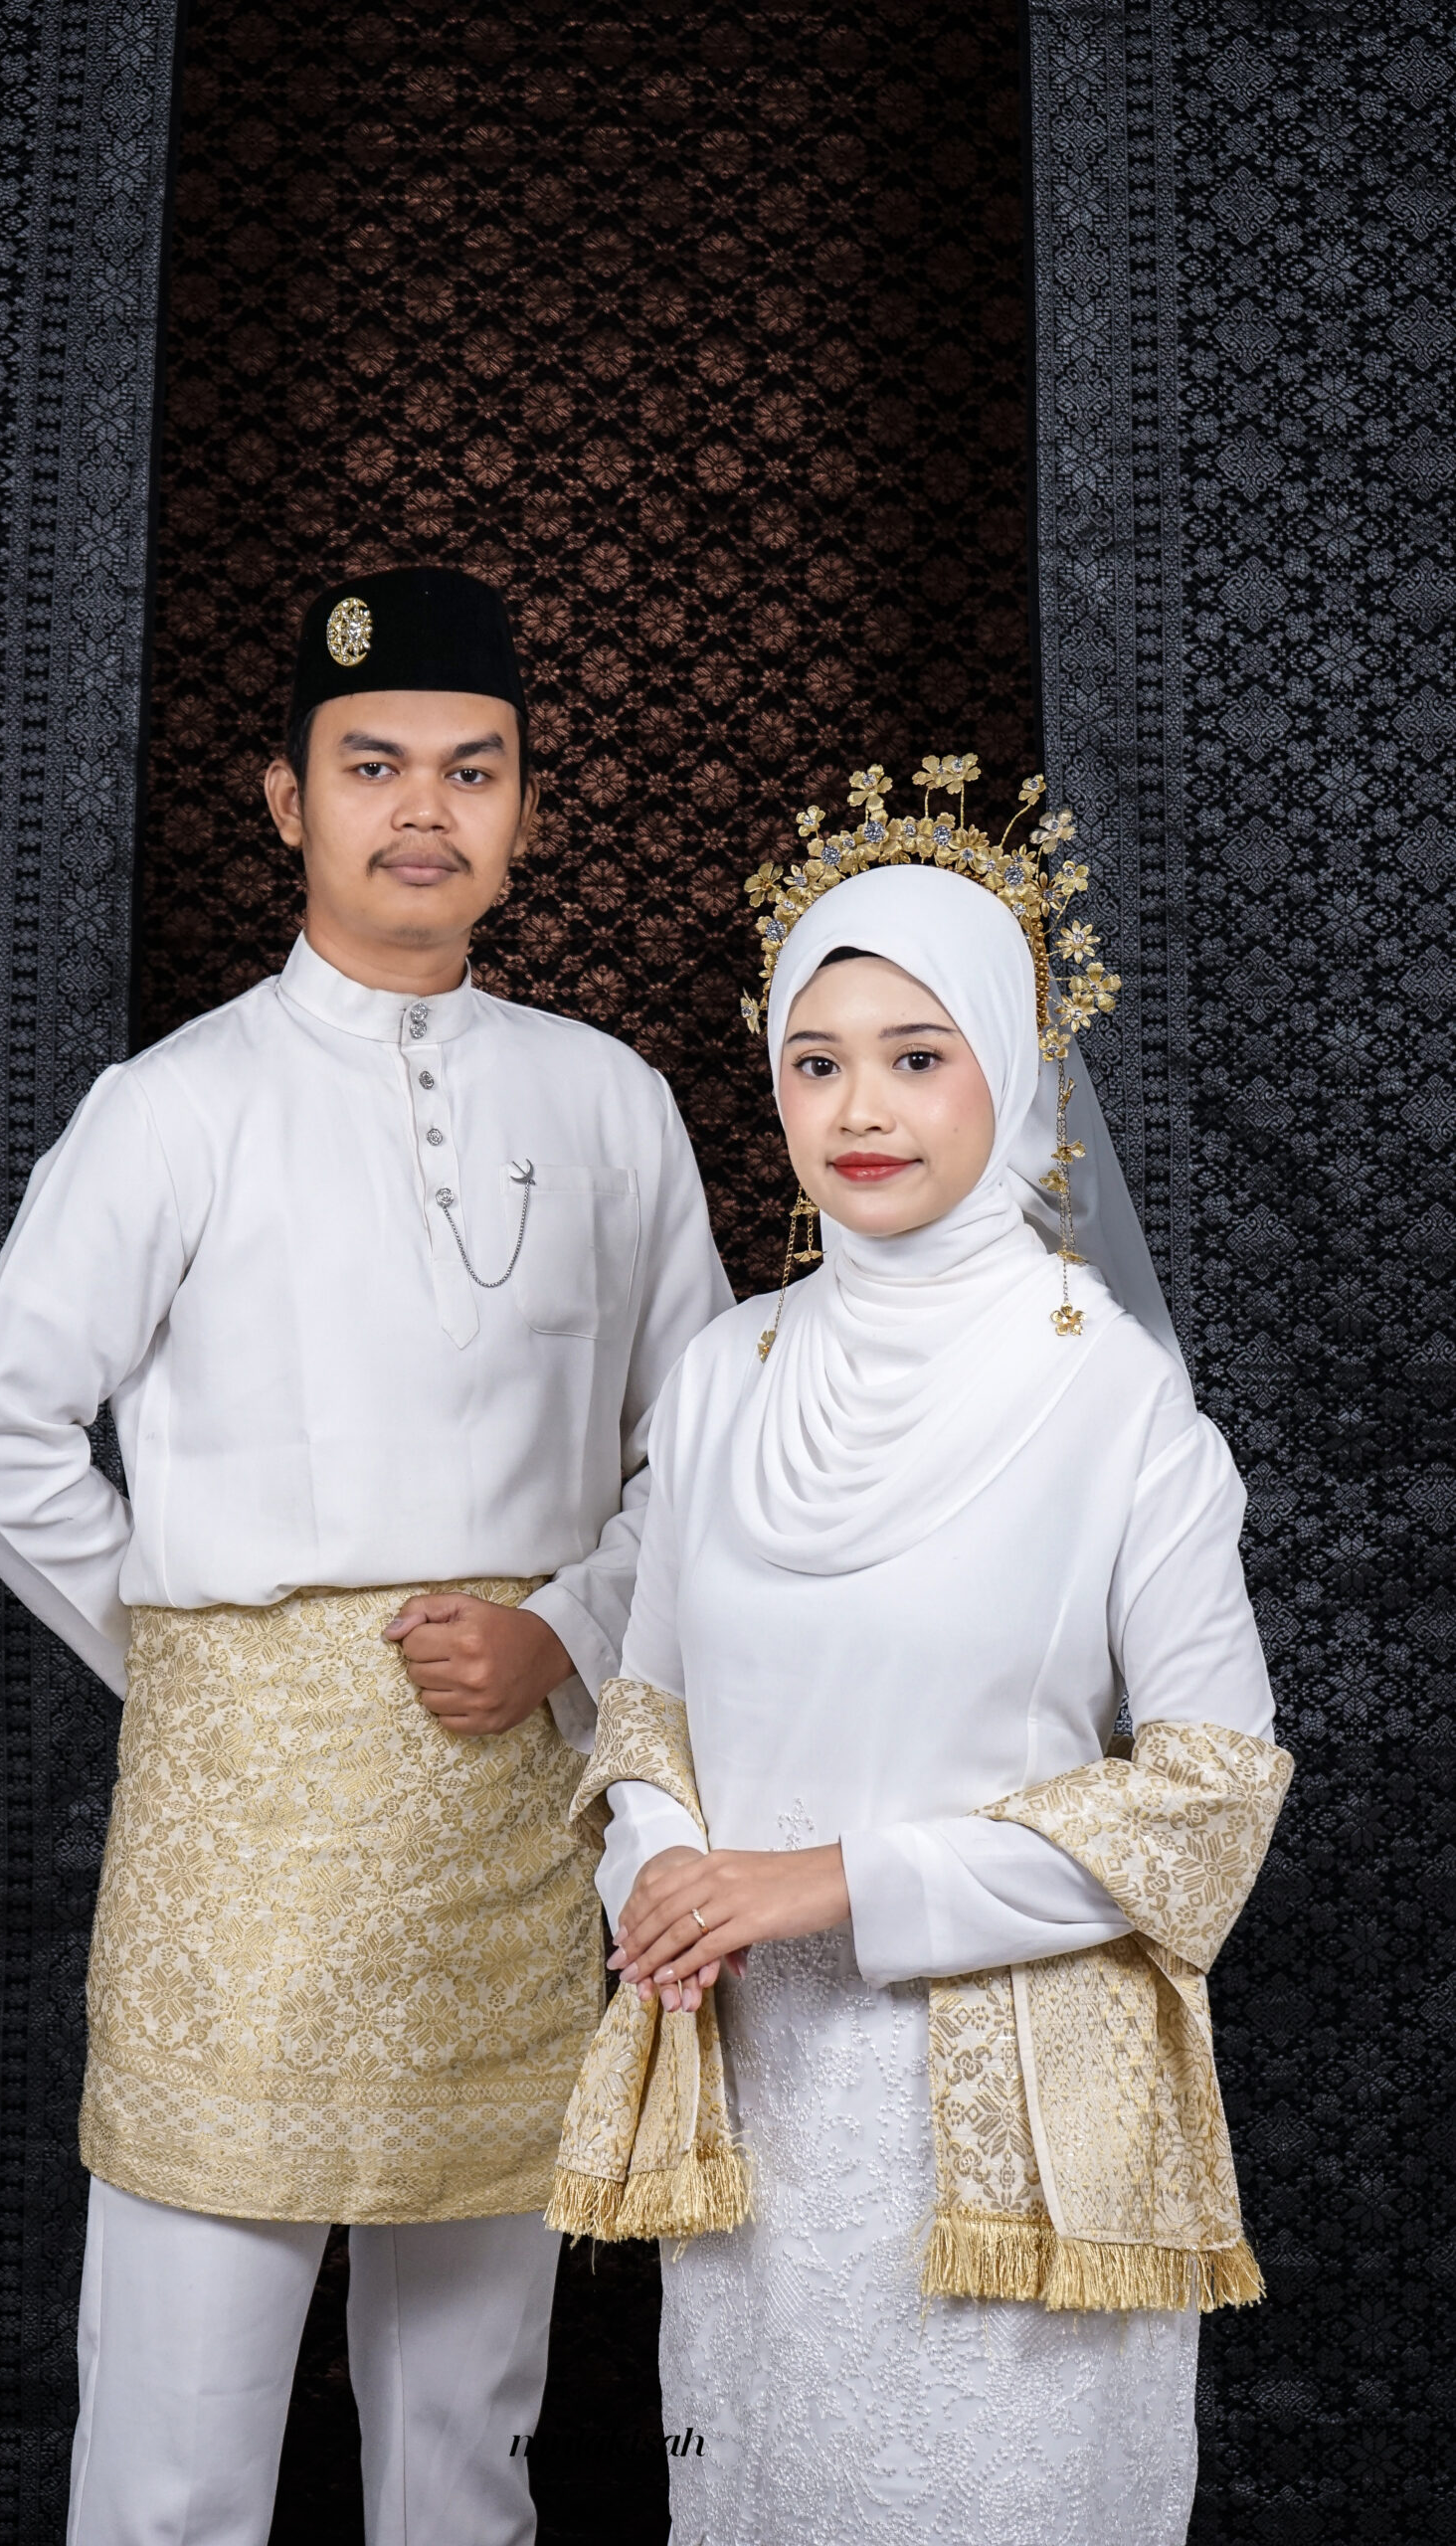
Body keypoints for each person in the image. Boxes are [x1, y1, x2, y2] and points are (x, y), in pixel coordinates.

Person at [0, 566, 731, 2546]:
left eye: (472, 768)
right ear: (288, 800)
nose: (422, 809)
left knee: (466, 2425)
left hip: (505, 1817)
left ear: (524, 808)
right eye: (372, 766)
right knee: (179, 2446)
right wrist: (204, 1669)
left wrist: (563, 1631)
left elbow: (704, 1455)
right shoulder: (172, 1107)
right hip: (243, 1852)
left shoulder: (607, 1102)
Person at [566, 766, 1291, 2544]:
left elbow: (1208, 1802)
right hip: (757, 2119)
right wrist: (664, 1874)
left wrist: (823, 1881)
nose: (860, 1108)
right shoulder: (723, 1378)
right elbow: (645, 1710)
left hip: (1019, 2135)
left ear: (1015, 1071)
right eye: (815, 1062)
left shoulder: (1111, 1398)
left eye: (915, 1054)